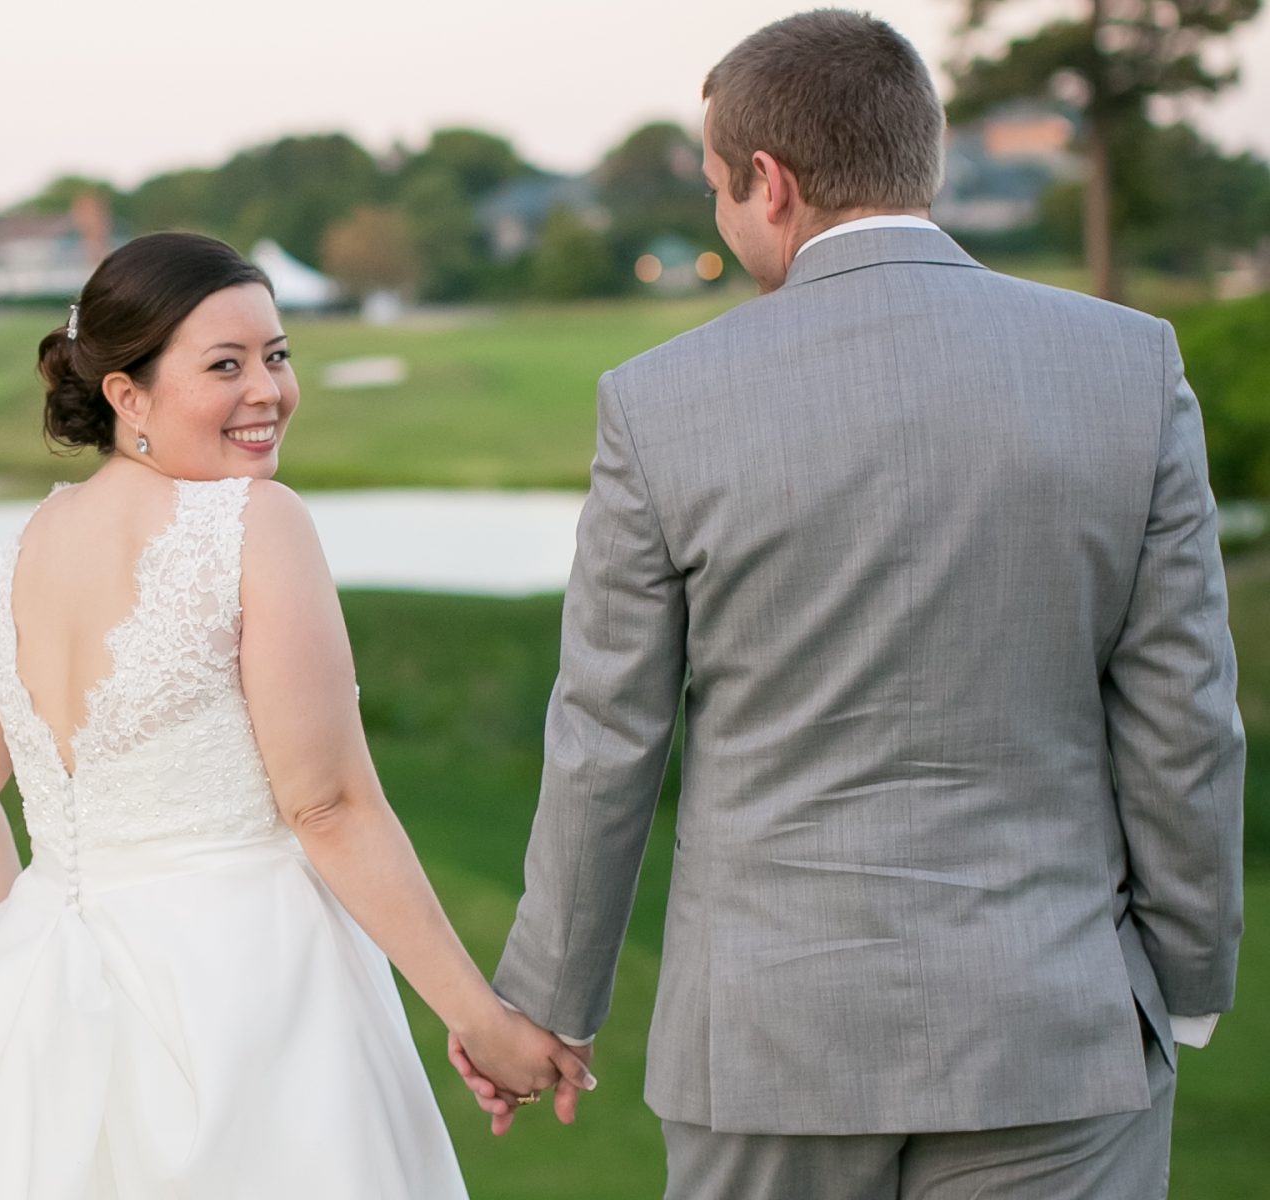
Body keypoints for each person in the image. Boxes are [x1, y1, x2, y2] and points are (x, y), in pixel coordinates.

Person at [450, 11, 1245, 1200]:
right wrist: (1183, 985)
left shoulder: (659, 403)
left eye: (718, 188)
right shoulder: (1128, 365)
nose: (722, 212)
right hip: (1056, 1024)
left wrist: (548, 1003)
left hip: (768, 1043)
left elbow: (608, 737)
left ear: (767, 183)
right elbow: (1185, 720)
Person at [0, 231, 585, 1199]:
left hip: (55, 988)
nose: (267, 390)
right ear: (127, 395)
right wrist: (481, 1020)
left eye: (278, 355)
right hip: (252, 997)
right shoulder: (257, 525)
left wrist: (43, 959)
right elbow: (329, 806)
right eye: (225, 365)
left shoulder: (21, 554)